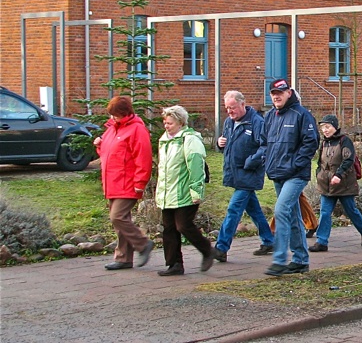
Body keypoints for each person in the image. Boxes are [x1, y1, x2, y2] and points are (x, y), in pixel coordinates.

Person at [262, 79, 319, 276]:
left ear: (289, 93)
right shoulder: (270, 116)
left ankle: (279, 260)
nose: (276, 96)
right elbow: (263, 142)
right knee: (293, 216)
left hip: (295, 175)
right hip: (277, 174)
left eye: (280, 92)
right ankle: (301, 260)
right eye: (273, 93)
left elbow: (311, 143)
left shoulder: (301, 115)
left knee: (281, 210)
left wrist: (295, 164)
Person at [212, 91, 274, 263]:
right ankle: (269, 241)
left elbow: (265, 147)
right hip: (235, 172)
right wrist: (220, 144)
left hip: (249, 173)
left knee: (234, 209)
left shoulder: (257, 122)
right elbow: (228, 145)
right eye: (227, 108)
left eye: (232, 108)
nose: (229, 112)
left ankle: (221, 247)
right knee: (253, 209)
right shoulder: (228, 122)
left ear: (242, 104)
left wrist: (250, 162)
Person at [93, 96, 155, 270]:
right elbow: (109, 153)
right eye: (112, 115)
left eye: (116, 115)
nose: (113, 118)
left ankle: (143, 244)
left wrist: (140, 182)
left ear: (126, 113)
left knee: (117, 217)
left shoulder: (137, 130)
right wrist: (99, 145)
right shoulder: (112, 129)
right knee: (121, 220)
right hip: (113, 181)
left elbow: (143, 158)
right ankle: (123, 258)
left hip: (128, 182)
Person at [154, 105, 214, 276]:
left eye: (170, 123)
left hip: (185, 192)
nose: (166, 126)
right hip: (168, 192)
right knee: (169, 228)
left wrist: (196, 192)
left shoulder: (189, 140)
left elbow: (196, 167)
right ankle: (174, 264)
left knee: (183, 226)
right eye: (165, 122)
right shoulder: (164, 140)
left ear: (180, 123)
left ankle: (207, 250)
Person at [309, 114, 362, 252]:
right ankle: (322, 242)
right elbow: (320, 162)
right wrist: (319, 174)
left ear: (335, 127)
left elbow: (348, 160)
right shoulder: (324, 143)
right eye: (322, 127)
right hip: (326, 185)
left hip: (344, 184)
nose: (325, 130)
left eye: (328, 127)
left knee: (351, 211)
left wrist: (338, 175)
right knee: (325, 212)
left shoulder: (345, 141)